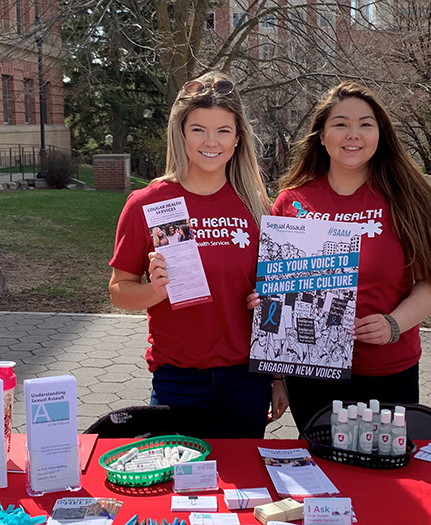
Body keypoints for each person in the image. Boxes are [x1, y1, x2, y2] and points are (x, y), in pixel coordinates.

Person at [265, 82, 431, 432]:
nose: (353, 134)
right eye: (340, 124)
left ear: (381, 133)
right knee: (324, 469)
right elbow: (278, 294)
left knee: (381, 473)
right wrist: (277, 377)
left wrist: (394, 324)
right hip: (311, 370)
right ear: (321, 136)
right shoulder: (292, 202)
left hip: (386, 371)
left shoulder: (409, 198)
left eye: (365, 124)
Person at [108, 72, 288, 438]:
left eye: (223, 130)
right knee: (177, 487)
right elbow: (119, 290)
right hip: (178, 377)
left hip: (245, 377)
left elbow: (277, 300)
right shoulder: (149, 203)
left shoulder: (257, 207)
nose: (211, 141)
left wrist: (279, 375)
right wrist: (153, 292)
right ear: (181, 133)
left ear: (238, 139)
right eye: (198, 130)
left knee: (243, 489)